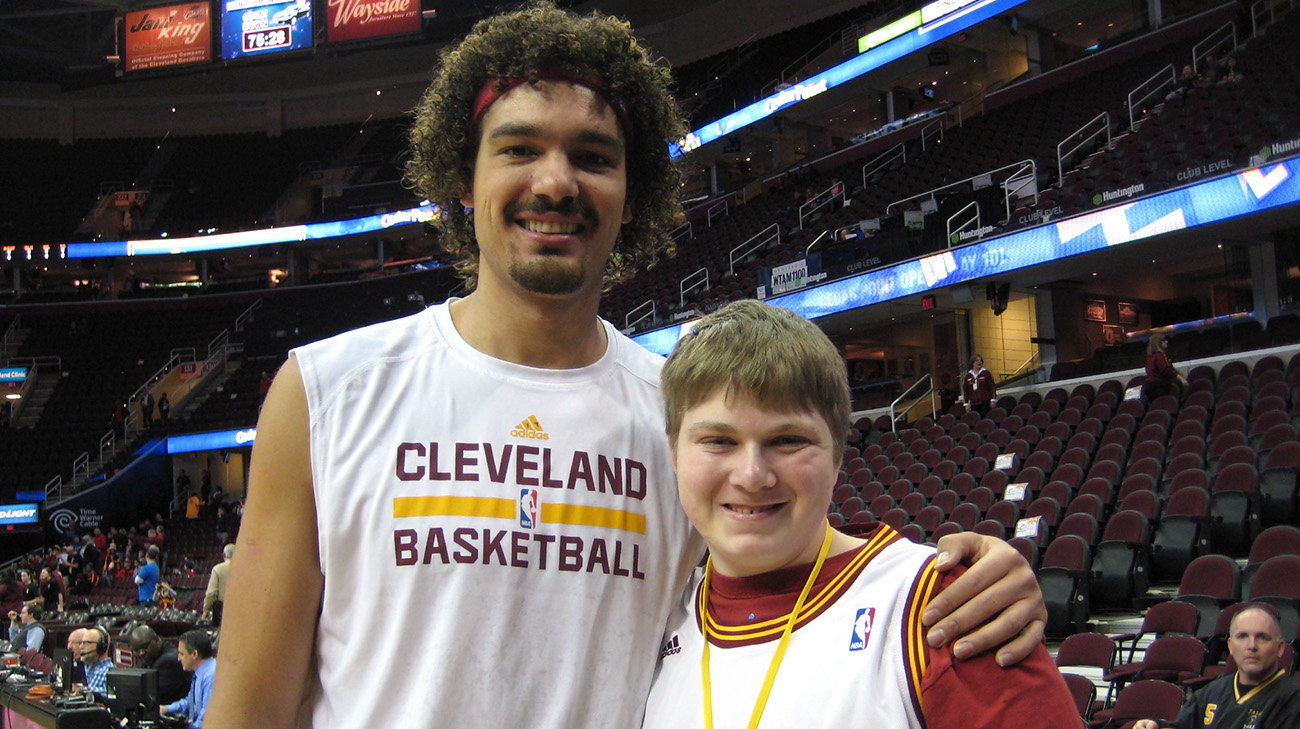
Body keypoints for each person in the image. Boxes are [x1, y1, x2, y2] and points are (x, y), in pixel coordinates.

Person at [205, 5, 1047, 728]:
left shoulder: (685, 419)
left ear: (633, 193)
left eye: (595, 157)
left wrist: (978, 581)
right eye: (519, 148)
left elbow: (803, 567)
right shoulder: (327, 390)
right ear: (463, 179)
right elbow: (247, 704)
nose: (556, 181)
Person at [643, 301, 1078, 729]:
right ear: (673, 452)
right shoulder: (655, 616)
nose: (753, 476)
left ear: (837, 453)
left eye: (788, 440)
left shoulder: (945, 607)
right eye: (718, 441)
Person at [1133, 604, 1300, 728]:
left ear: (1280, 649)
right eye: (1242, 636)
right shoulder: (1210, 693)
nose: (1252, 646)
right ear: (1230, 646)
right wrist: (1154, 725)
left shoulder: (1293, 699)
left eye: (1262, 637)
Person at [162, 630, 216, 728]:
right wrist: (166, 709)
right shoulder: (200, 673)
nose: (178, 658)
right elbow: (190, 702)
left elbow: (205, 720)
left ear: (194, 654)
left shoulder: (211, 676)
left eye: (182, 654)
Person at [129, 624, 191, 704]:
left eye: (144, 646)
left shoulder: (169, 661)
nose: (141, 653)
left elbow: (147, 695)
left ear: (156, 639)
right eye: (136, 650)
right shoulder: (147, 657)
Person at [1142, 333, 1187, 401]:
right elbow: (1166, 370)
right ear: (1159, 343)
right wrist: (1181, 379)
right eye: (1164, 341)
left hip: (1148, 386)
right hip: (1158, 386)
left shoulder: (1149, 357)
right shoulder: (1160, 355)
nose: (1166, 342)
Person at [79, 626, 115, 696]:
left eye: (86, 643)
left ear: (101, 646)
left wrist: (81, 691)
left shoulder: (109, 673)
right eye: (81, 643)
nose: (81, 647)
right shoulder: (84, 668)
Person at [204, 545, 233, 625]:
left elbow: (211, 593)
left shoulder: (218, 569)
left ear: (224, 555)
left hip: (222, 612)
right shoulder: (244, 569)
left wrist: (206, 610)